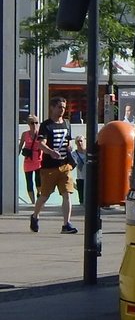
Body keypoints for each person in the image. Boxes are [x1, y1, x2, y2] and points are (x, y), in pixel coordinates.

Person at [30, 97, 77, 234]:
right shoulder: (46, 125)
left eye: (63, 107)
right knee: (44, 195)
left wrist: (69, 147)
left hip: (64, 166)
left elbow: (68, 141)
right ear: (52, 107)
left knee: (67, 194)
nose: (62, 110)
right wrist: (51, 152)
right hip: (49, 167)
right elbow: (41, 144)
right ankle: (35, 216)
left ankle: (66, 224)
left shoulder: (67, 124)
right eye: (59, 107)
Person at [18, 115, 43, 206]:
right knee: (29, 181)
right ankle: (33, 201)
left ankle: (39, 194)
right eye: (32, 123)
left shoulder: (40, 133)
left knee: (38, 179)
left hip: (38, 158)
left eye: (36, 122)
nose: (34, 125)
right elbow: (20, 146)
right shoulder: (25, 134)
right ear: (28, 124)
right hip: (28, 159)